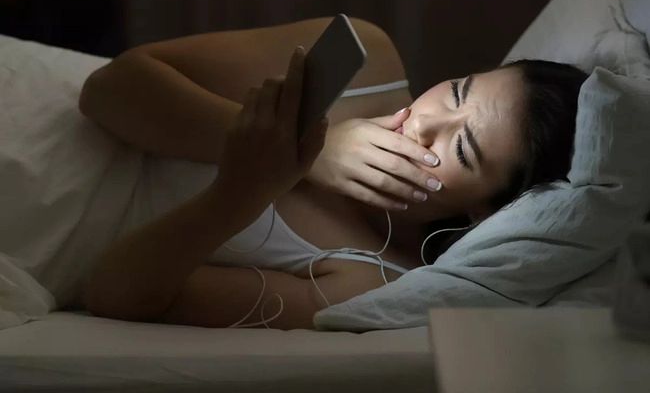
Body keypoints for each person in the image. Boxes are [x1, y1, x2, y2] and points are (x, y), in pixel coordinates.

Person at [78, 17, 587, 330]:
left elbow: (110, 293)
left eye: (462, 146)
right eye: (456, 92)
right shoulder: (368, 64)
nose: (425, 120)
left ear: (483, 214)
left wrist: (240, 193)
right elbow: (107, 88)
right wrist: (313, 152)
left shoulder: (371, 282)